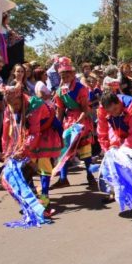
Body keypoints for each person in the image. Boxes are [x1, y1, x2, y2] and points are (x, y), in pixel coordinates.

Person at [2, 85, 62, 216]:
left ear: (22, 99)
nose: (15, 107)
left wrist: (23, 149)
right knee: (24, 167)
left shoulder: (35, 106)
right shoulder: (9, 108)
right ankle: (32, 199)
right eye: (11, 105)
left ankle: (45, 199)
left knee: (43, 162)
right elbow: (6, 132)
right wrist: (6, 152)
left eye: (17, 104)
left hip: (45, 132)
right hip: (29, 135)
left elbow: (35, 133)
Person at [51, 57, 97, 189]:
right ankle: (63, 178)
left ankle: (90, 175)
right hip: (68, 122)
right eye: (62, 74)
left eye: (67, 74)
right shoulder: (59, 91)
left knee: (85, 148)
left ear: (72, 74)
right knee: (64, 149)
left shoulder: (81, 88)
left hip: (81, 120)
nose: (65, 76)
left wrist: (78, 122)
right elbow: (60, 111)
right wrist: (57, 127)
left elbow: (85, 108)